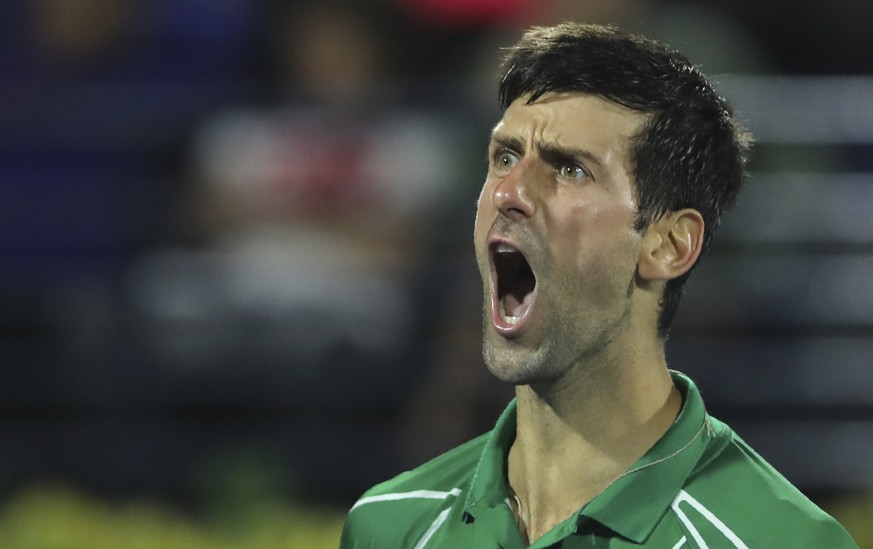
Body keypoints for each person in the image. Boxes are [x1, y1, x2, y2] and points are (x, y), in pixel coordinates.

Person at [340, 22, 858, 548]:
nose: (509, 193)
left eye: (569, 169)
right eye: (505, 157)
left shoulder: (781, 542)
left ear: (669, 245)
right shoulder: (390, 526)